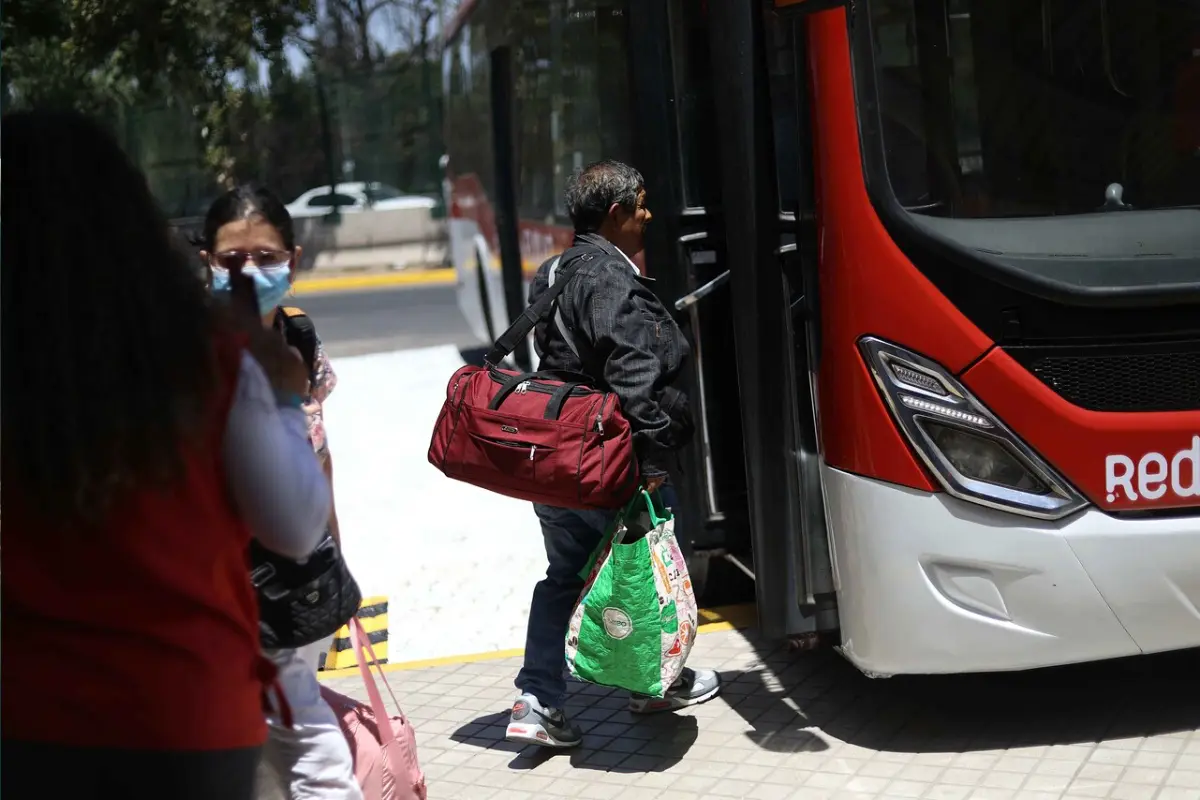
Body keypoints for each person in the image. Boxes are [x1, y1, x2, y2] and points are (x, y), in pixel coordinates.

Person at [0, 110, 331, 799]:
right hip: (188, 714)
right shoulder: (208, 358)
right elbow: (294, 526)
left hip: (30, 716)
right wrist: (282, 398)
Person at [506, 160, 721, 749]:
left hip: (557, 459)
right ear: (616, 212)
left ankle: (538, 701)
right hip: (612, 462)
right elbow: (632, 377)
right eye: (641, 204)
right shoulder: (611, 279)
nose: (648, 215)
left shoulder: (553, 270)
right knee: (644, 572)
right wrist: (652, 462)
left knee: (564, 576)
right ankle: (653, 683)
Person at [201, 184, 362, 800]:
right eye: (232, 259)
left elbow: (321, 457)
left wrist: (336, 561)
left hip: (297, 583)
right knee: (303, 758)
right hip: (228, 593)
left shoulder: (299, 340)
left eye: (265, 257)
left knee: (288, 751)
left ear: (292, 263)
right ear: (208, 264)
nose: (249, 271)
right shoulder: (194, 355)